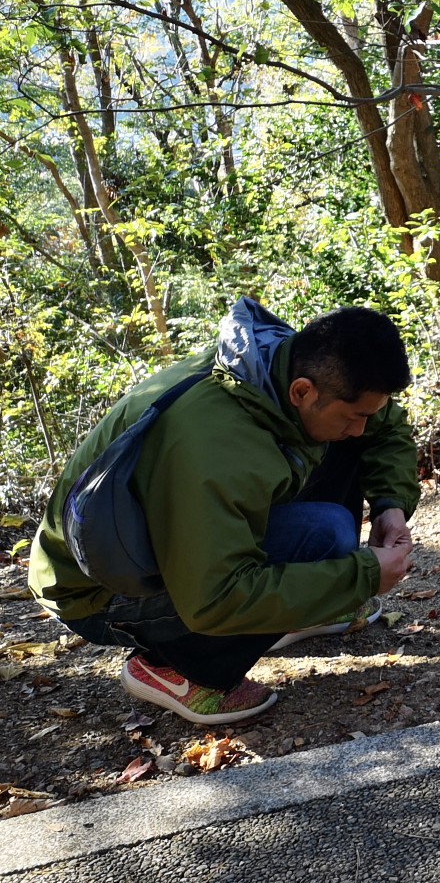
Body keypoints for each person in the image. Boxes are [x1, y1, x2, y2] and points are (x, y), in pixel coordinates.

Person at [28, 298, 419, 724]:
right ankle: (175, 668)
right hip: (98, 593)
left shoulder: (281, 368)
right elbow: (217, 598)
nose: (361, 426)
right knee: (327, 535)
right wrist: (361, 576)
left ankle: (305, 608)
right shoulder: (213, 451)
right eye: (355, 415)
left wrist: (389, 506)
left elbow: (386, 426)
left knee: (340, 454)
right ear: (302, 391)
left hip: (178, 535)